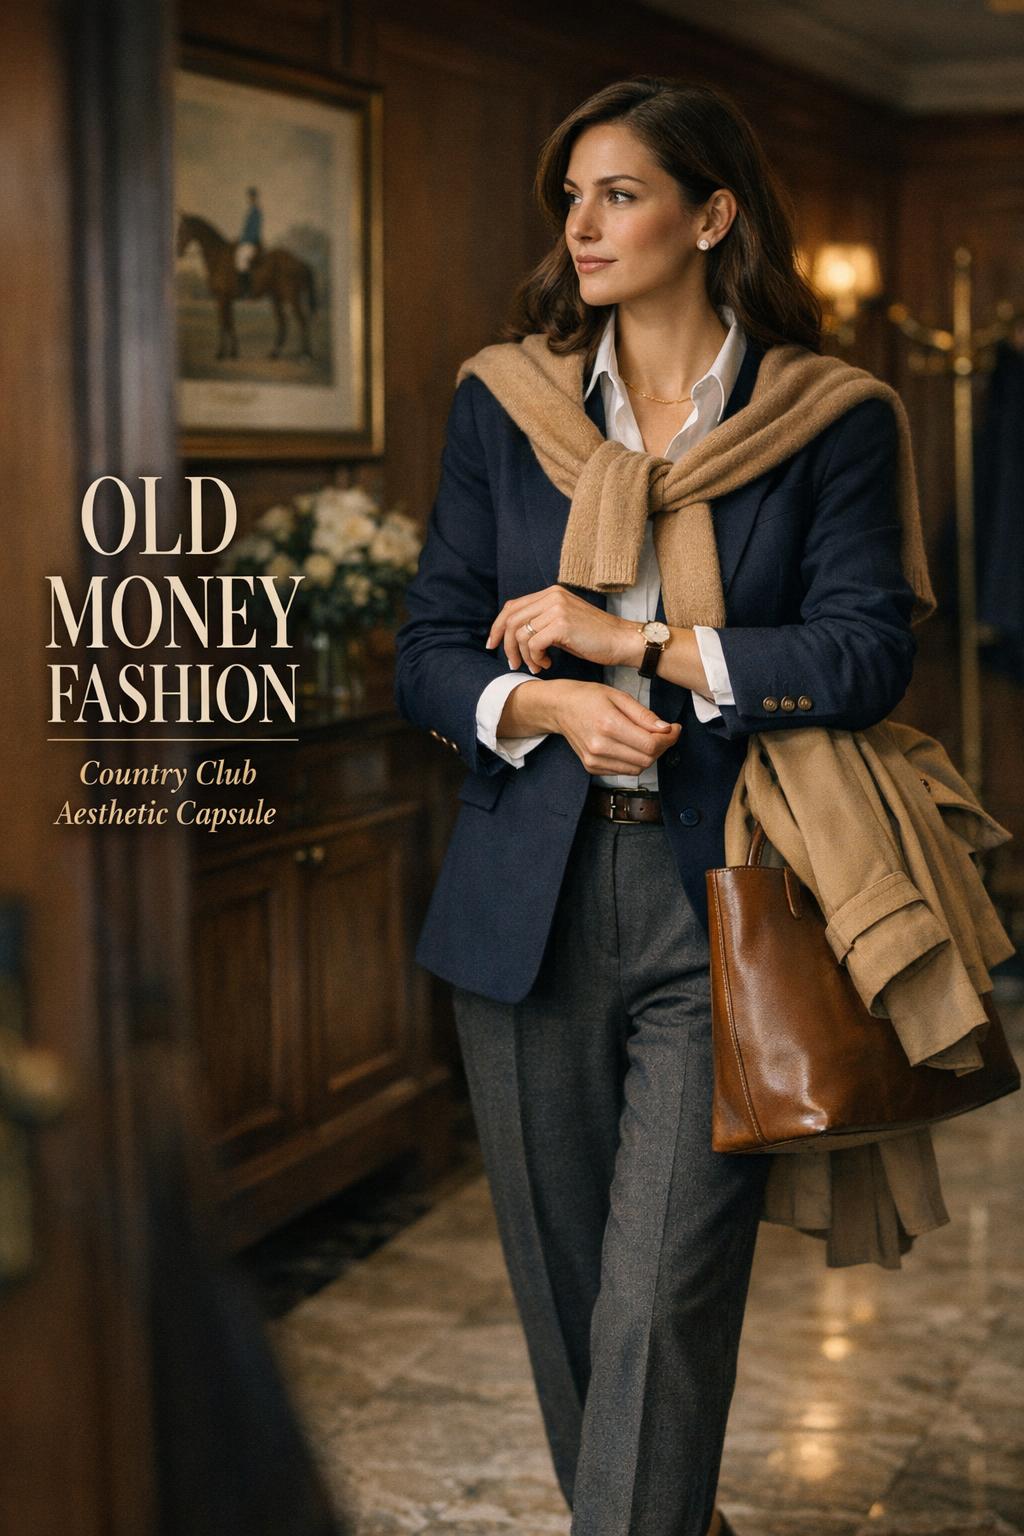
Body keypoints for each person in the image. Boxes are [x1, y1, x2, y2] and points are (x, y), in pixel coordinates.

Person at [394, 76, 916, 1536]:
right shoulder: (508, 403)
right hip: (525, 905)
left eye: (618, 194)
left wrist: (644, 646)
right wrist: (542, 702)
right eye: (571, 197)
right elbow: (430, 650)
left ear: (711, 214)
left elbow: (867, 653)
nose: (582, 225)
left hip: (725, 898)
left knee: (659, 1301)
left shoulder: (827, 418)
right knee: (574, 1313)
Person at [235, 186, 263, 298]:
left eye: (252, 196)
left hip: (250, 242)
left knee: (241, 261)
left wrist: (247, 240)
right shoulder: (250, 211)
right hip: (245, 240)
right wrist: (240, 239)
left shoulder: (256, 211)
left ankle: (246, 290)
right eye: (250, 197)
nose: (251, 199)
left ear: (255, 198)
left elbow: (255, 229)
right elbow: (245, 228)